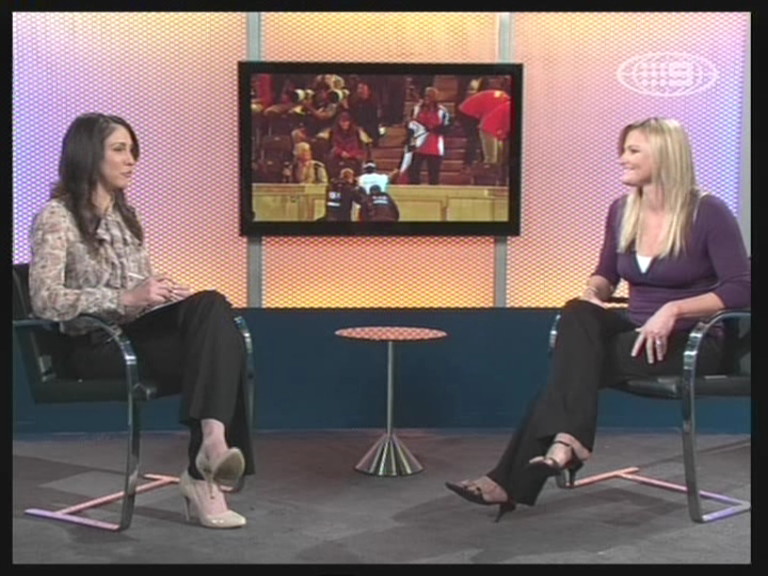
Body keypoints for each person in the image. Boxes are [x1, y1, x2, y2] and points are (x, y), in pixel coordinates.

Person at [445, 117, 751, 521]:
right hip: (635, 329)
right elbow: (606, 274)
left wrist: (674, 309)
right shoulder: (622, 210)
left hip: (690, 340)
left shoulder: (708, 212)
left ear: (664, 155)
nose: (622, 158)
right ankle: (565, 443)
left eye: (633, 150)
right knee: (577, 313)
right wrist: (594, 291)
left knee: (572, 373)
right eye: (623, 149)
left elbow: (742, 287)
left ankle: (527, 469)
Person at [28, 112, 255, 530]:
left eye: (132, 150)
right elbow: (44, 300)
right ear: (88, 154)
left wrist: (161, 292)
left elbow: (138, 290)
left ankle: (212, 444)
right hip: (94, 347)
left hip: (131, 334)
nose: (131, 159)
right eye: (119, 149)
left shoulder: (126, 217)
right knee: (219, 346)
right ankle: (204, 474)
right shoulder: (56, 217)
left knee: (212, 311)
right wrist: (124, 297)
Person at [406, 86, 451, 185]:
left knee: (433, 174)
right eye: (426, 95)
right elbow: (410, 125)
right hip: (418, 145)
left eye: (430, 96)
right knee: (413, 171)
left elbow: (447, 128)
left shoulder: (442, 111)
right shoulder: (417, 108)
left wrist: (433, 129)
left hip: (434, 146)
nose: (427, 98)